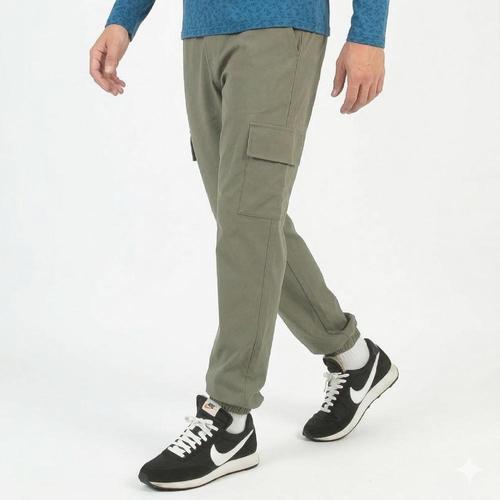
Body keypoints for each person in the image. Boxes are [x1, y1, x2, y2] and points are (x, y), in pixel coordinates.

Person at [90, 0, 398, 491]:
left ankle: (229, 418)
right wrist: (123, 19)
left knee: (247, 226)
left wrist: (369, 32)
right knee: (249, 222)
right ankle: (357, 360)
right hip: (202, 34)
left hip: (278, 27)